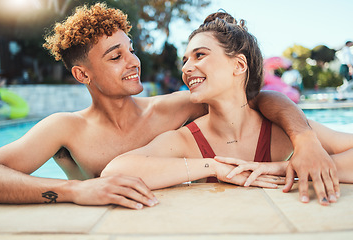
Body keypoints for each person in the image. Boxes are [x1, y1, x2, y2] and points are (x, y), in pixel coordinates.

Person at [0, 4, 336, 208]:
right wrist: (76, 190)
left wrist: (303, 139)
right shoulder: (65, 128)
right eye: (116, 56)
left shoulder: (176, 107)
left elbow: (254, 99)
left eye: (130, 49)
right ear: (82, 73)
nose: (133, 61)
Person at [101, 11, 351, 206]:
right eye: (185, 60)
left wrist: (289, 167)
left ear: (239, 65)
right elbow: (114, 172)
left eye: (200, 55)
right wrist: (215, 167)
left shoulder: (281, 132)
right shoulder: (187, 141)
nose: (186, 69)